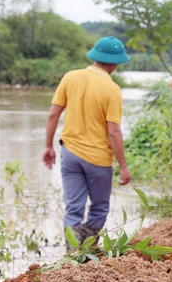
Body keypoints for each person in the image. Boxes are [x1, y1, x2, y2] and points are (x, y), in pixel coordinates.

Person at [43, 36, 131, 244]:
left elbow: (53, 114)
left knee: (73, 208)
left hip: (70, 154)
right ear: (114, 63)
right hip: (98, 160)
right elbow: (114, 132)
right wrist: (124, 166)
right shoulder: (112, 90)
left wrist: (48, 146)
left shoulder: (70, 77)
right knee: (99, 208)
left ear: (95, 57)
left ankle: (71, 255)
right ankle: (85, 247)